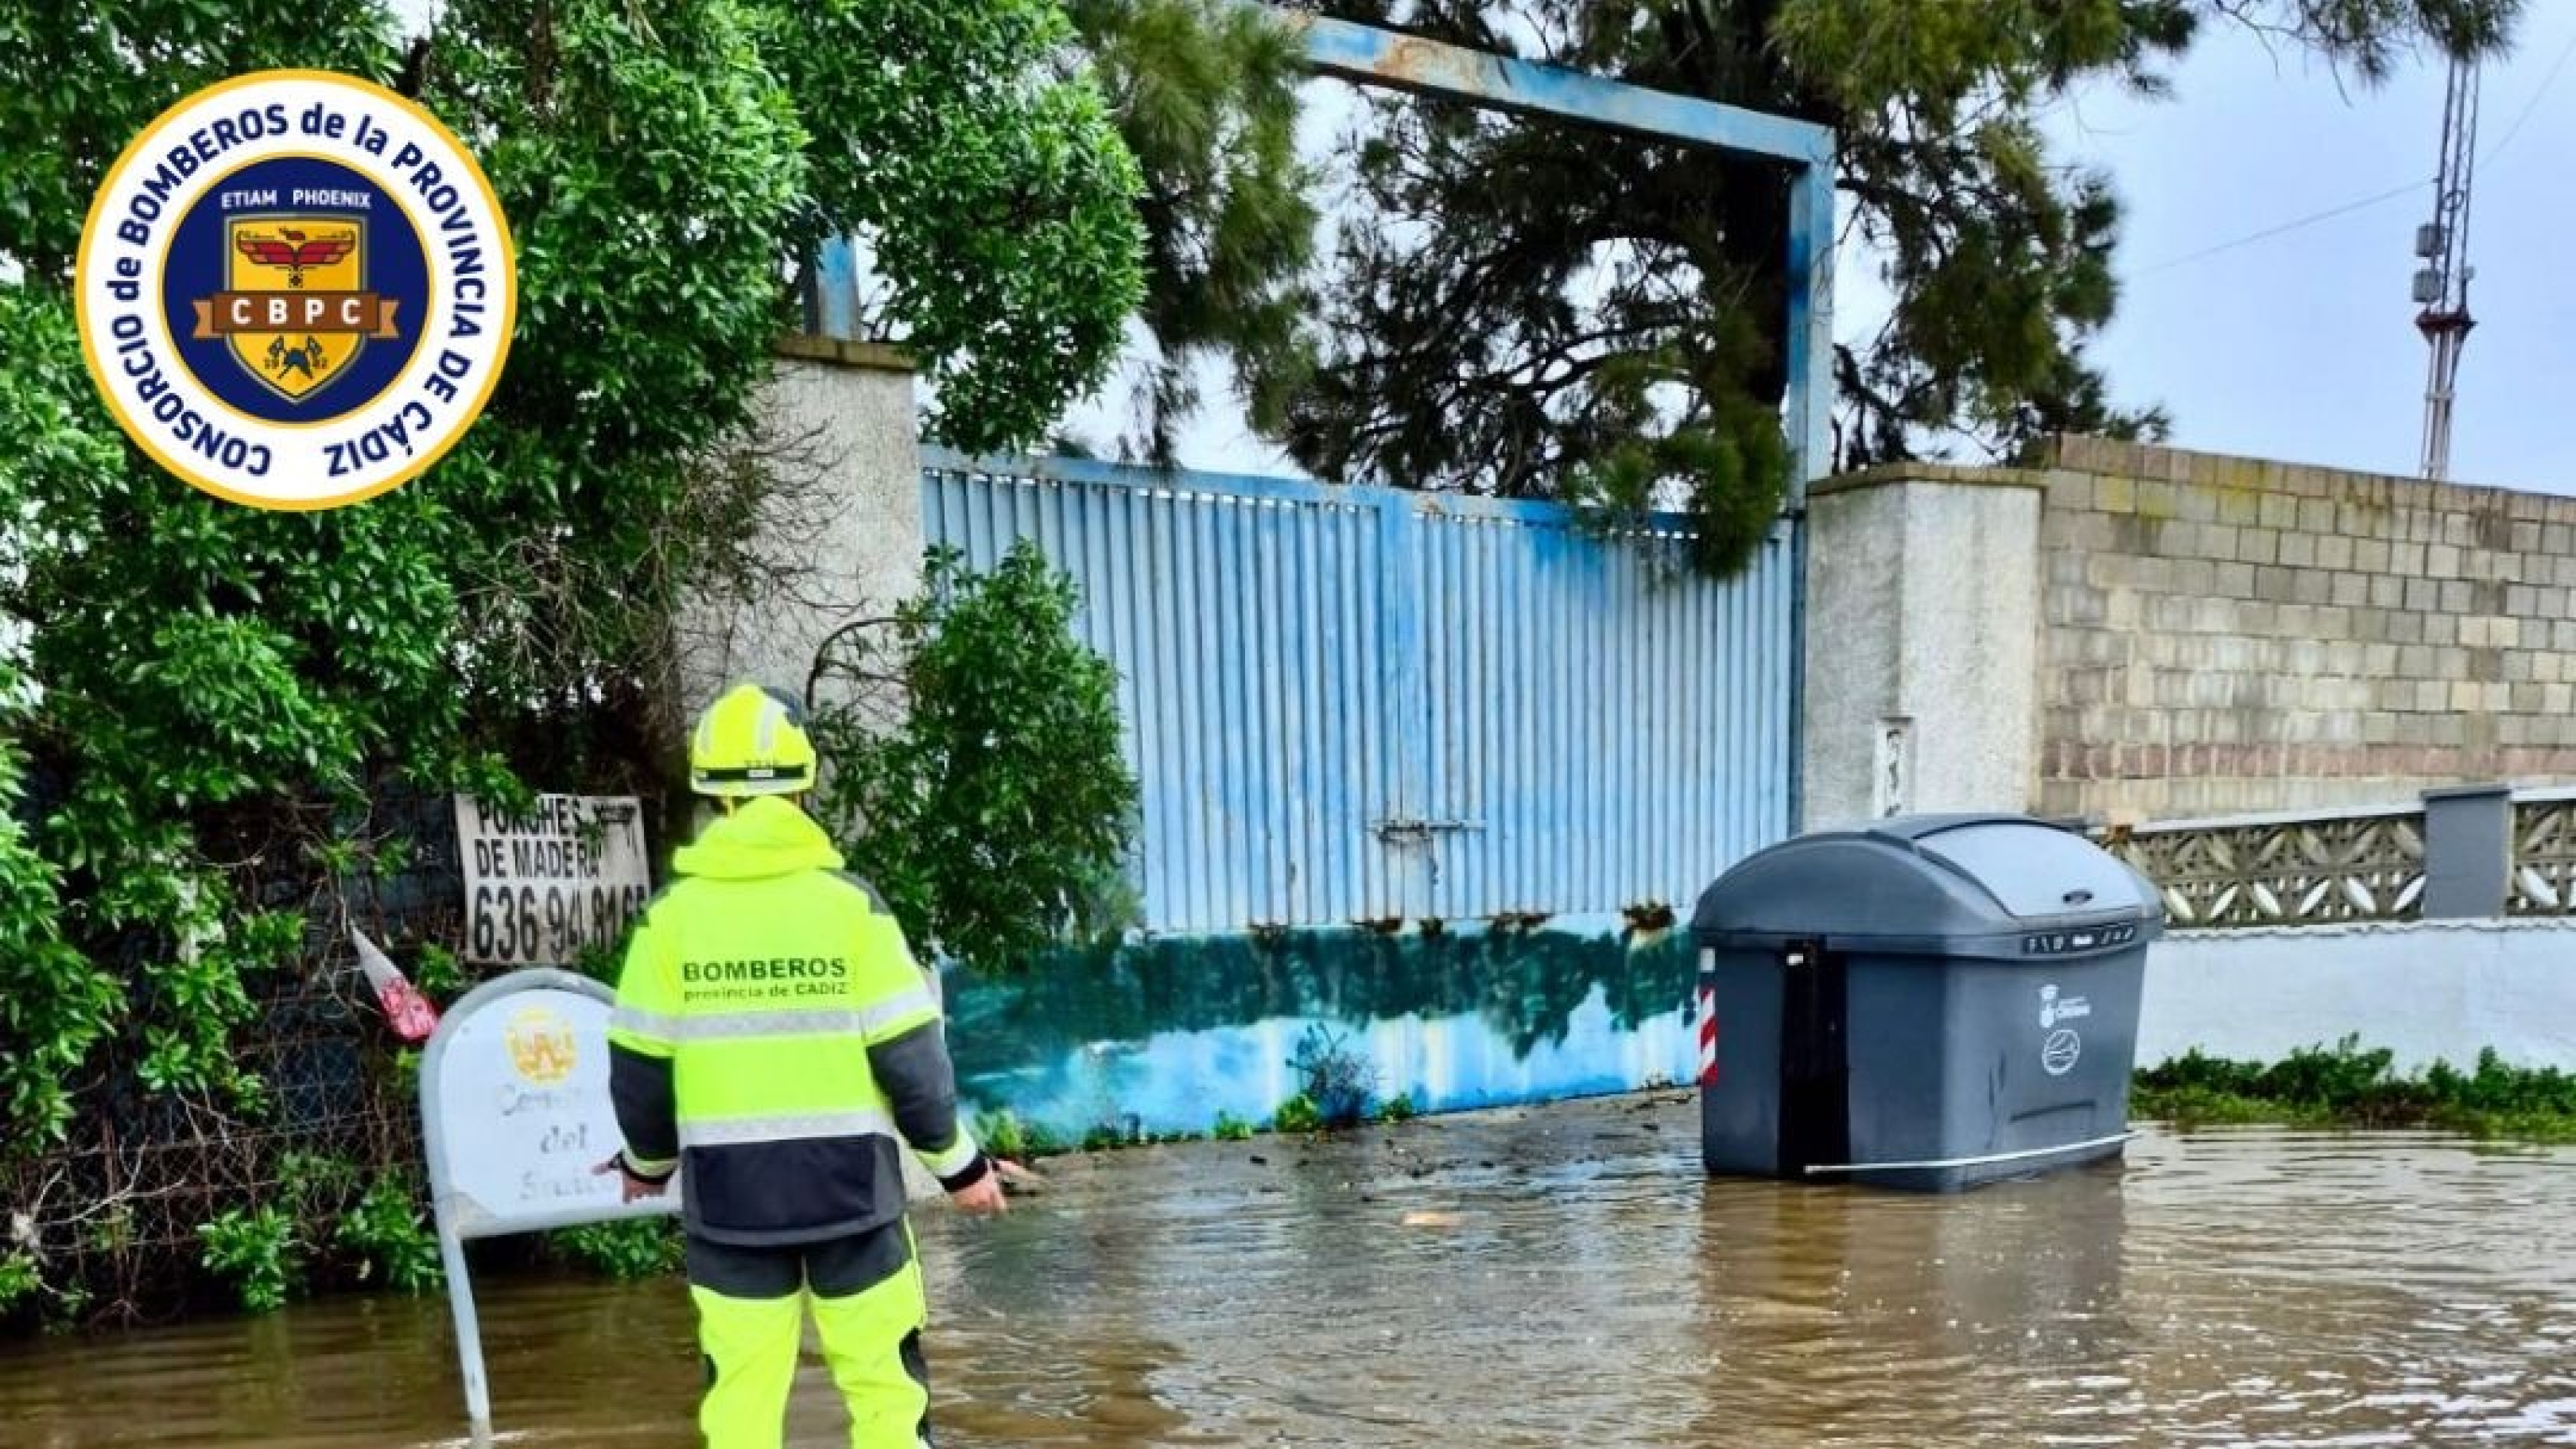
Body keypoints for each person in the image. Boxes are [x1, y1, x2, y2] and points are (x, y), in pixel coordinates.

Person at [598, 682, 1006, 1449]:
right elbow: (912, 1063)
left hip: (731, 1206)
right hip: (853, 1196)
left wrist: (645, 1165)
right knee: (886, 1393)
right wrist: (962, 1168)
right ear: (803, 784)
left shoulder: (669, 922)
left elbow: (641, 1070)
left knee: (742, 1409)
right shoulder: (853, 909)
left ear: (711, 794)